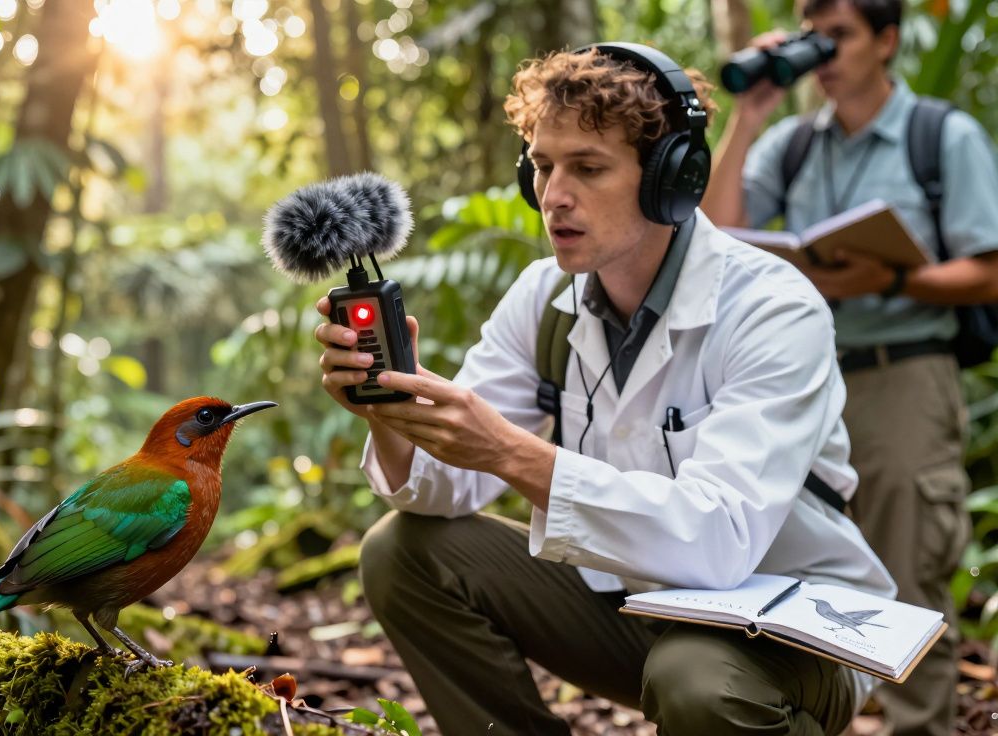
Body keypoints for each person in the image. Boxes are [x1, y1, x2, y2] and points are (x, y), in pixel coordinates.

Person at [314, 43, 895, 736]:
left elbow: (719, 541)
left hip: (792, 625)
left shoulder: (771, 307)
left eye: (588, 168)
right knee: (401, 552)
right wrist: (388, 413)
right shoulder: (543, 297)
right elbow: (440, 490)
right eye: (541, 166)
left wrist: (510, 453)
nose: (553, 195)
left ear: (670, 179)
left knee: (697, 681)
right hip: (638, 608)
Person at [701, 0, 998, 731]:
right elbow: (713, 232)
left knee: (909, 573)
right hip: (800, 380)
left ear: (886, 41)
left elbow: (989, 270)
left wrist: (893, 280)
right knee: (792, 571)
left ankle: (918, 727)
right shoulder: (794, 143)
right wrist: (750, 115)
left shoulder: (940, 136)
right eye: (813, 38)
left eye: (841, 36)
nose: (824, 54)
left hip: (904, 372)